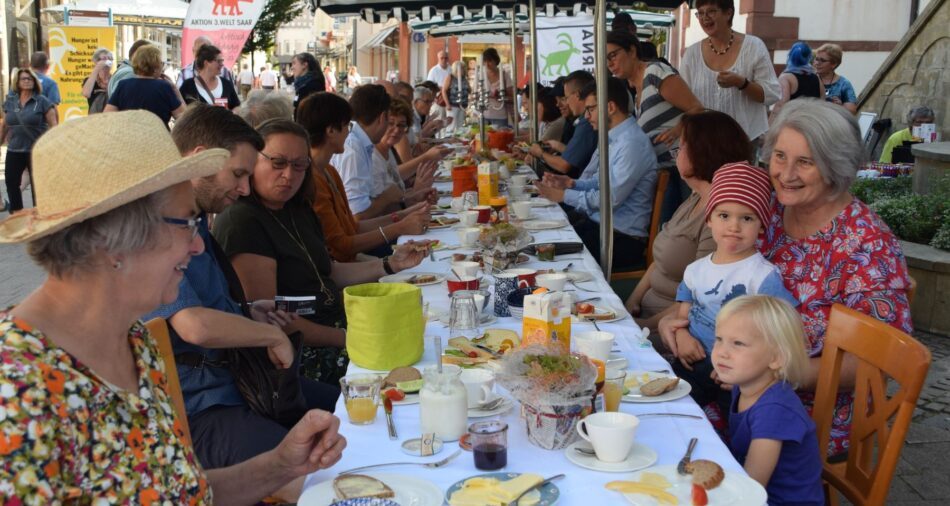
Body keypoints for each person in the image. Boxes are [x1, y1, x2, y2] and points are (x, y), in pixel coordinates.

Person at [0, 110, 345, 502]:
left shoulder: (135, 342)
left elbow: (180, 491)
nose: (198, 246)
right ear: (114, 240)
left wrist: (282, 465)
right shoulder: (18, 387)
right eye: (186, 224)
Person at [662, 99, 914, 457]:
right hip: (724, 380)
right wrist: (677, 323)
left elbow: (879, 361)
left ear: (836, 166)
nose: (785, 173)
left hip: (802, 413)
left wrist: (770, 373)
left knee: (668, 437)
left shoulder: (868, 244)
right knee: (652, 417)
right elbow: (712, 281)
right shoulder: (766, 212)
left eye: (805, 162)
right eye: (779, 156)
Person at [142, 107, 338, 489]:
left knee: (356, 414)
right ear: (199, 159)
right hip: (205, 407)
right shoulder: (158, 225)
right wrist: (270, 335)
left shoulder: (195, 221)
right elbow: (194, 325)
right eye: (238, 174)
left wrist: (246, 312)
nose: (246, 189)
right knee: (319, 476)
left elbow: (204, 310)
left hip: (241, 383)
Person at [212, 119, 432, 385]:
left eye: (299, 165)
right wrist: (350, 338)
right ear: (253, 162)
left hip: (338, 321)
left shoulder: (298, 207)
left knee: (423, 330)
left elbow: (328, 272)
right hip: (302, 352)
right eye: (278, 163)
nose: (289, 175)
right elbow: (272, 320)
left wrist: (390, 264)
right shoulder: (242, 222)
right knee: (415, 364)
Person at [667, 163, 798, 420]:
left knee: (734, 427)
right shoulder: (695, 270)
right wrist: (681, 337)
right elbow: (683, 317)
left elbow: (782, 333)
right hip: (692, 363)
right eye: (724, 215)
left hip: (737, 376)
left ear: (762, 225)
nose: (734, 226)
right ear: (709, 219)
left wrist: (748, 370)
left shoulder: (762, 276)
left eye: (747, 218)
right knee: (673, 415)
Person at [625, 110, 752, 336]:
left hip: (674, 330)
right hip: (644, 317)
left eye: (682, 146)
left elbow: (700, 295)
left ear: (703, 153)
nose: (676, 152)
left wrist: (644, 326)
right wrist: (630, 302)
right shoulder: (694, 198)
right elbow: (658, 263)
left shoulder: (723, 217)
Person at [535, 78, 657, 269]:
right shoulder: (615, 138)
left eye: (590, 109)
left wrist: (564, 195)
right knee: (544, 235)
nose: (586, 116)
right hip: (601, 227)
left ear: (610, 107)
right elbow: (599, 182)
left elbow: (609, 200)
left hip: (621, 238)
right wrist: (571, 184)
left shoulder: (631, 143)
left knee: (549, 254)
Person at [713, 295, 823, 504]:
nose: (722, 352)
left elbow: (751, 490)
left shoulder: (774, 410)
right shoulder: (743, 386)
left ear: (776, 358)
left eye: (738, 343)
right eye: (719, 339)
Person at [300, 93, 430, 262]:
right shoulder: (314, 178)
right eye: (347, 126)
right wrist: (400, 227)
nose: (349, 133)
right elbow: (342, 245)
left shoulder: (328, 171)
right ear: (331, 130)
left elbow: (352, 227)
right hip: (341, 266)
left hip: (351, 260)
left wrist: (405, 214)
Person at [606, 30, 705, 221]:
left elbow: (697, 108)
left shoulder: (654, 73)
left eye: (613, 55)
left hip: (686, 168)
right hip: (666, 171)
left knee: (687, 225)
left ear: (632, 51)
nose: (609, 64)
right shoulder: (636, 92)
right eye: (606, 59)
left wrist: (677, 129)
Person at [680, 0, 781, 150]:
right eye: (700, 13)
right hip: (703, 142)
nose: (705, 18)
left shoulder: (753, 47)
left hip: (743, 141)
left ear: (728, 13)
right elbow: (683, 99)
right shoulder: (692, 54)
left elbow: (771, 94)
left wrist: (742, 83)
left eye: (711, 11)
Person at [331, 84, 398, 219]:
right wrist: (387, 197)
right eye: (389, 121)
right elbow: (357, 216)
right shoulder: (353, 148)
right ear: (382, 117)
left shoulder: (361, 142)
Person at [1, 68, 57, 212]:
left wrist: (53, 147)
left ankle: (40, 215)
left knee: (38, 186)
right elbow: (5, 125)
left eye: (30, 79)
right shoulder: (10, 102)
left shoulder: (42, 101)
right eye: (24, 79)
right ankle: (17, 214)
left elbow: (54, 126)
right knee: (11, 183)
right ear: (17, 83)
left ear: (35, 82)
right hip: (14, 149)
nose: (27, 81)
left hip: (36, 151)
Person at [371, 98, 442, 209]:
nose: (396, 130)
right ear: (381, 123)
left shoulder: (388, 152)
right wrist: (416, 191)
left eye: (401, 125)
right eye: (391, 124)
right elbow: (382, 210)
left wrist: (418, 195)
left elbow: (399, 199)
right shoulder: (372, 157)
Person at [527, 70, 598, 179]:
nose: (566, 103)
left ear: (577, 95)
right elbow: (578, 153)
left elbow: (564, 165)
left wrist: (540, 153)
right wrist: (557, 146)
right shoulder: (582, 120)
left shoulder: (586, 122)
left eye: (565, 98)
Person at [105, 44, 185, 125]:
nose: (162, 66)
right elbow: (183, 118)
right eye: (161, 63)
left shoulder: (123, 85)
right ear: (155, 67)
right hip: (158, 132)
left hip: (129, 131)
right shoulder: (163, 87)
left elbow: (108, 115)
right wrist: (175, 90)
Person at [771, 42, 824, 119]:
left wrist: (770, 123)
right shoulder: (816, 77)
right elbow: (822, 102)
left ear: (790, 56)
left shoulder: (785, 78)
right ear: (809, 57)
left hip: (793, 122)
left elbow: (780, 105)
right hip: (812, 122)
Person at [179, 45, 241, 110]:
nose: (222, 64)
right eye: (219, 61)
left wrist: (229, 112)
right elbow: (180, 111)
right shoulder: (187, 86)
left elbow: (236, 106)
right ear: (206, 63)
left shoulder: (226, 84)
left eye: (222, 61)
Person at [813, 43, 858, 114]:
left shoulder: (844, 84)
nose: (817, 63)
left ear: (834, 64)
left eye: (822, 60)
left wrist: (840, 107)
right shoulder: (809, 80)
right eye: (816, 59)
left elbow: (852, 111)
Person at [479, 48, 513, 127]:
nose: (487, 64)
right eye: (485, 61)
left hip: (500, 115)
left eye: (490, 61)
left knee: (500, 134)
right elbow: (475, 94)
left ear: (495, 60)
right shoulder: (481, 76)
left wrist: (501, 97)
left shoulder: (504, 75)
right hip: (483, 114)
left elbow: (512, 97)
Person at [81, 47, 113, 113]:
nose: (107, 61)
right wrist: (97, 68)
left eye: (110, 59)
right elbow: (86, 94)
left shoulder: (115, 79)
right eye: (104, 59)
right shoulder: (90, 80)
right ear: (96, 62)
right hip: (95, 117)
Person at [442, 61, 471, 134]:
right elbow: (444, 91)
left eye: (463, 68)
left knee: (460, 126)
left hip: (463, 105)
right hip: (452, 105)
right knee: (451, 126)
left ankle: (458, 140)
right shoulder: (450, 77)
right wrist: (447, 104)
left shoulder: (464, 78)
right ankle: (448, 139)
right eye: (461, 68)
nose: (462, 70)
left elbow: (469, 90)